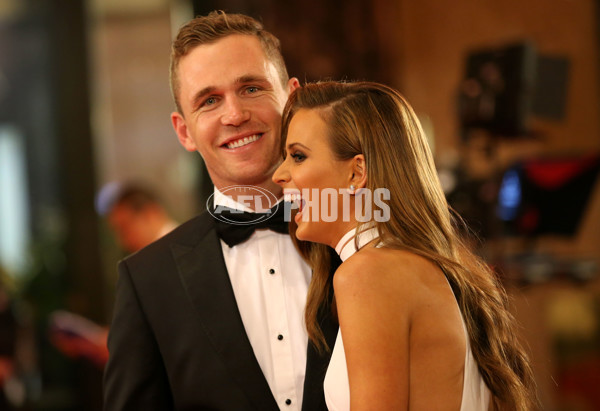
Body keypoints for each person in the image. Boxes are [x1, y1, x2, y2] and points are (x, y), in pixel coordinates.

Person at [103, 11, 338, 411]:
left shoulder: (365, 236)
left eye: (250, 88)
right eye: (209, 101)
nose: (234, 115)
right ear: (184, 131)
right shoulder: (147, 282)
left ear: (293, 98)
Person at [273, 81, 538, 410]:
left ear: (357, 173)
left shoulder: (367, 273)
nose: (279, 174)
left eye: (298, 156)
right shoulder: (428, 265)